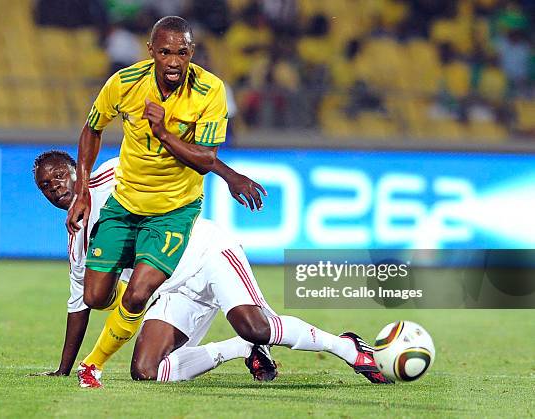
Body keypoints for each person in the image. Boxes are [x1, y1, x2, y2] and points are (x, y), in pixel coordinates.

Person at [33, 151, 391, 386]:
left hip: (207, 253)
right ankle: (239, 349)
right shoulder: (78, 237)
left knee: (257, 326)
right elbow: (79, 304)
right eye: (46, 186)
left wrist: (229, 176)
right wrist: (64, 369)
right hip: (171, 290)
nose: (56, 188)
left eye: (61, 176)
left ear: (78, 170)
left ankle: (346, 347)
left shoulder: (116, 172)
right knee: (146, 372)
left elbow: (181, 156)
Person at [66, 15, 266, 372]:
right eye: (166, 52)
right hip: (125, 204)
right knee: (95, 296)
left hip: (174, 209)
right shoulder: (124, 83)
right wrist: (82, 191)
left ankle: (92, 365)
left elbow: (206, 158)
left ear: (192, 51)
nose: (174, 61)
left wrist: (163, 133)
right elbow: (91, 129)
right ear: (151, 51)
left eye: (183, 52)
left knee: (137, 292)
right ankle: (150, 294)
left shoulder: (210, 90)